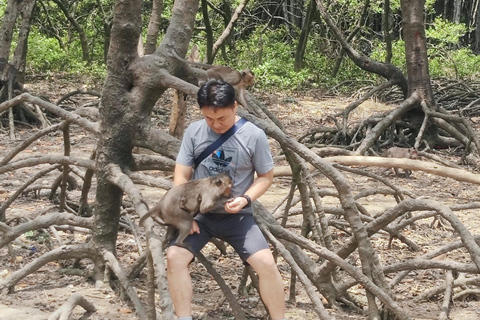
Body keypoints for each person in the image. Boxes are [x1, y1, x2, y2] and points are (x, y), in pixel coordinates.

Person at [166, 79, 286, 320]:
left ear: (234, 107)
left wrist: (245, 199)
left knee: (266, 263)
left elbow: (265, 177)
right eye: (209, 119)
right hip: (200, 214)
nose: (216, 124)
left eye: (221, 119)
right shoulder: (194, 131)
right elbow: (181, 175)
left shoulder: (254, 135)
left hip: (237, 215)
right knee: (174, 258)